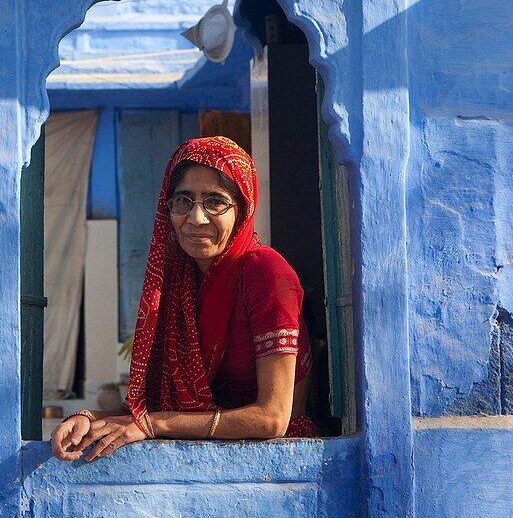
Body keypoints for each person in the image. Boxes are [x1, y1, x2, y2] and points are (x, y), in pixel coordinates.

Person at [51, 136, 316, 462]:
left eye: (215, 201)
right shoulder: (179, 285)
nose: (196, 218)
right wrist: (87, 420)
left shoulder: (267, 274)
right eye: (183, 201)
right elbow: (154, 408)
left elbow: (272, 418)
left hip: (275, 464)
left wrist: (154, 425)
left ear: (243, 209)